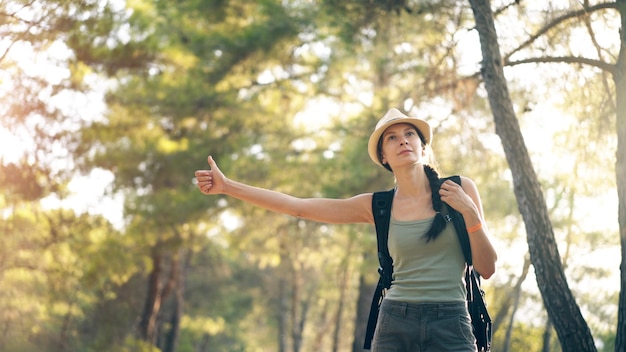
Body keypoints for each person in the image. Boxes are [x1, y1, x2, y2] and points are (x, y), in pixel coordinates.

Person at [195, 108, 497, 351]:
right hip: (395, 321)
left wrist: (469, 211)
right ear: (383, 156)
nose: (403, 140)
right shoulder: (378, 206)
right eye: (391, 138)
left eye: (409, 134)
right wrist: (227, 186)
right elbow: (299, 206)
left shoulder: (460, 189)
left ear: (422, 145)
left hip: (452, 321)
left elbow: (486, 268)